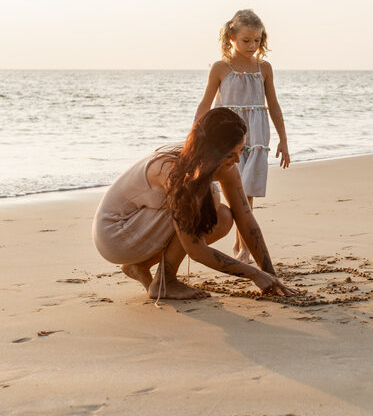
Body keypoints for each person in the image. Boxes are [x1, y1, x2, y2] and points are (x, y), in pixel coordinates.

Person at [92, 108, 298, 300]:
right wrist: (254, 274)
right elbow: (196, 250)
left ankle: (140, 267)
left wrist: (269, 273)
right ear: (211, 152)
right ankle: (166, 282)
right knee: (209, 195)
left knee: (224, 217)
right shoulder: (171, 170)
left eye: (241, 150)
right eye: (229, 155)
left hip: (141, 227)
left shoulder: (222, 165)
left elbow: (245, 218)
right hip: (115, 234)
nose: (237, 160)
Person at [195, 9, 289, 263]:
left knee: (246, 192)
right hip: (226, 138)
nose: (252, 45)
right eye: (246, 40)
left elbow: (274, 105)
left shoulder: (264, 68)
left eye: (257, 40)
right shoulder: (220, 68)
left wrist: (284, 140)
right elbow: (205, 106)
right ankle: (242, 248)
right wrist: (195, 135)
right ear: (231, 37)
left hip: (256, 137)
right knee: (235, 191)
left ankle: (243, 249)